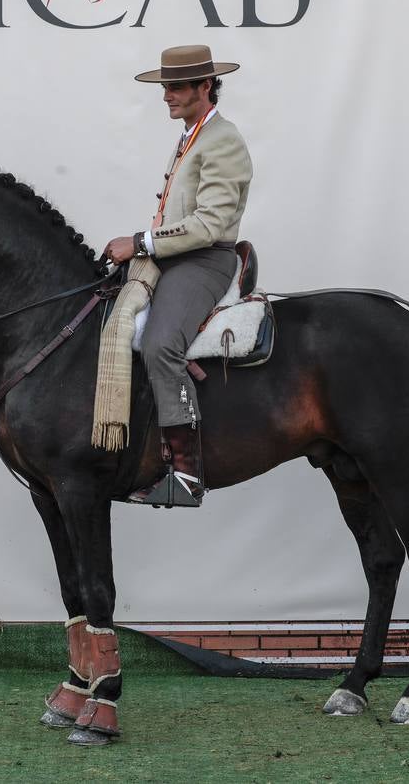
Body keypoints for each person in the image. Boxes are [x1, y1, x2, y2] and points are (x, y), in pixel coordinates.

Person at [102, 44, 254, 507]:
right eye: (165, 86)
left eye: (176, 87)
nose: (166, 95)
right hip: (178, 257)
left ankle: (186, 475)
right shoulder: (191, 134)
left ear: (205, 86)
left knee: (159, 344)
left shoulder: (222, 139)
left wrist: (141, 242)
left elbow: (208, 224)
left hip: (206, 260)